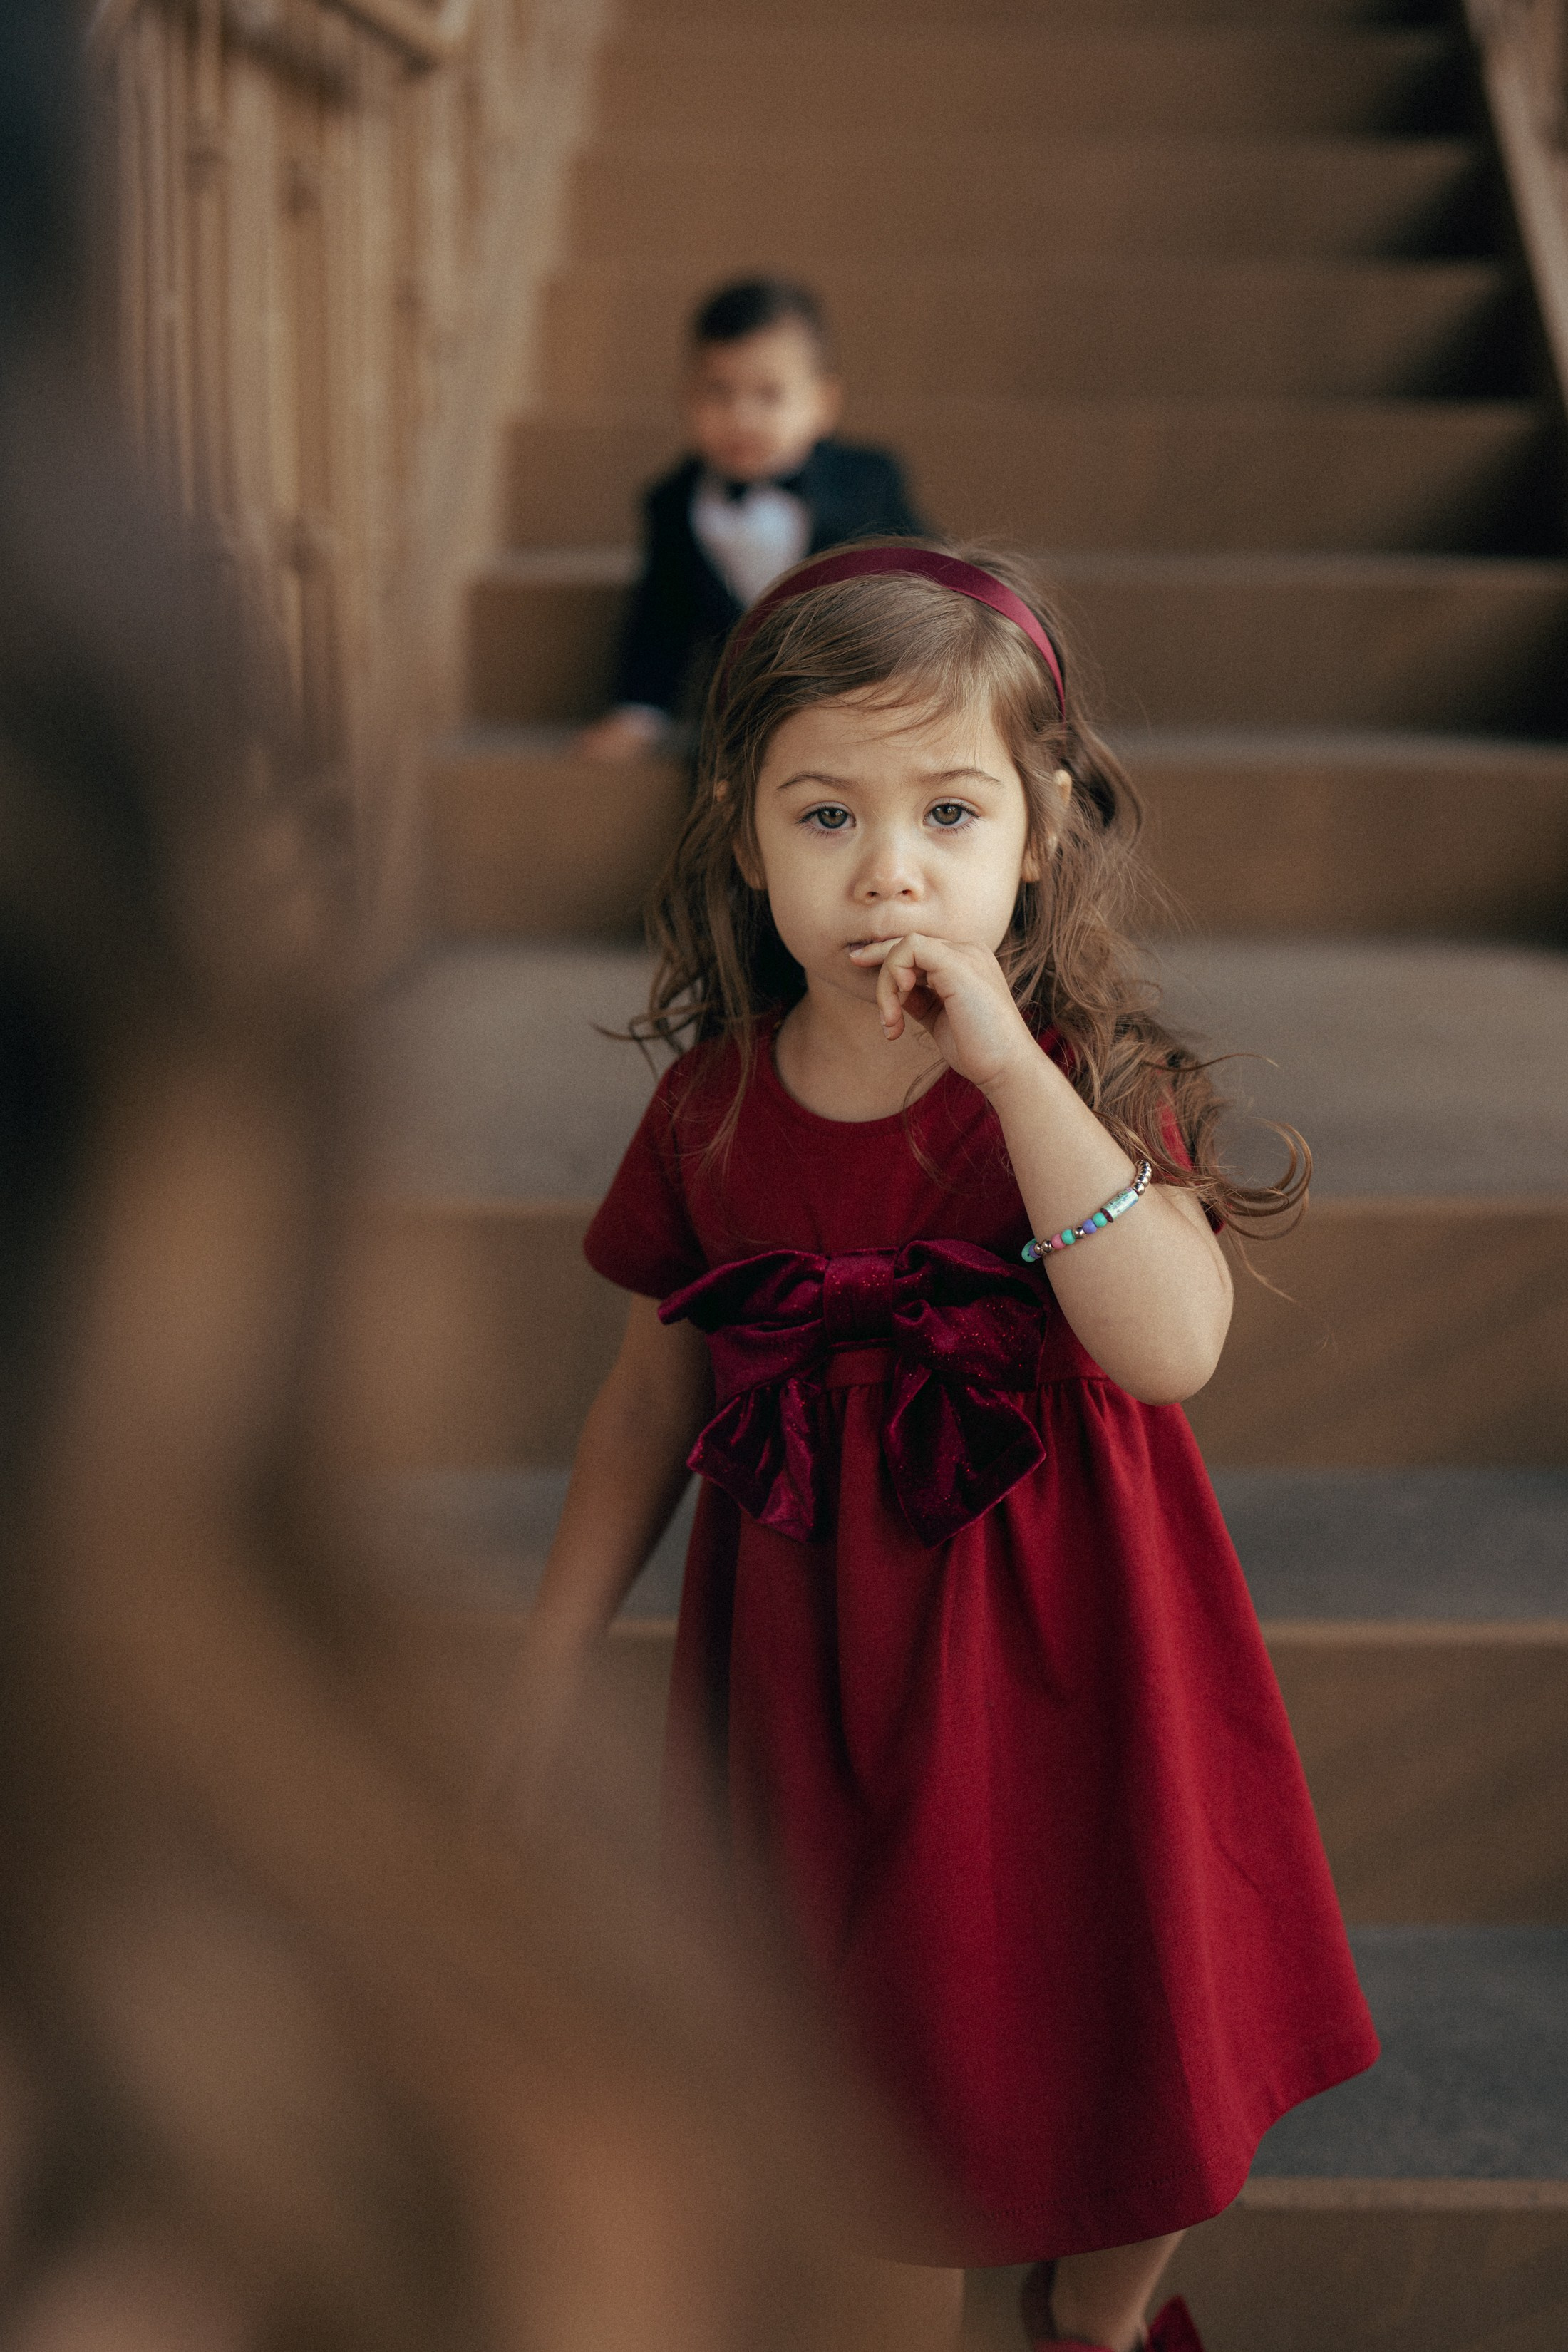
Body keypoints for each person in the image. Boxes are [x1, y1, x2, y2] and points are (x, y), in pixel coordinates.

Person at [524, 542, 1381, 2352]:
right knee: (862, 2129)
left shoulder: (1073, 1080)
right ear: (745, 842)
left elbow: (1172, 1345)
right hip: (821, 1677)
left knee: (1136, 2046)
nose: (890, 868)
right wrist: (536, 1685)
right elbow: (639, 1411)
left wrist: (1008, 1070)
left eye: (948, 811)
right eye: (825, 812)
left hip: (1082, 1660)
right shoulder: (714, 1106)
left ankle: (1095, 2326)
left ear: (1038, 831)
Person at [576, 279, 924, 761]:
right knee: (716, 768)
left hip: (859, 683)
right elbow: (660, 617)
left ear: (822, 405)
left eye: (769, 395)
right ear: (686, 399)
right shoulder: (673, 503)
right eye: (718, 393)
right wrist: (639, 711)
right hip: (740, 705)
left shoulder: (867, 483)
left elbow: (924, 576)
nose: (741, 417)